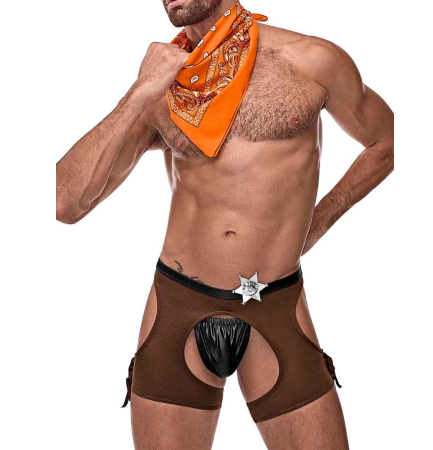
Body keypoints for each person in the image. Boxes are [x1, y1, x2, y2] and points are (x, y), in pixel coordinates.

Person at [56, 0, 394, 448]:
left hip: (276, 303)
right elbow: (65, 202)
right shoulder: (165, 87)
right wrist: (138, 91)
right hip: (177, 304)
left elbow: (387, 141)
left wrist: (318, 222)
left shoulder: (312, 59)